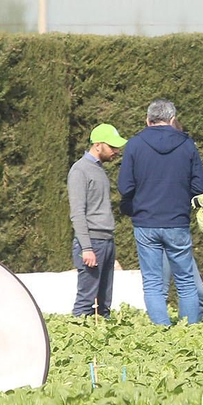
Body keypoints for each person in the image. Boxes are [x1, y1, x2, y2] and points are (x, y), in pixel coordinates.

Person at [119, 98, 203, 326]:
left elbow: (124, 187)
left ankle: (162, 332)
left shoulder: (135, 145)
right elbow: (199, 187)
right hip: (177, 221)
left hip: (145, 222)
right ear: (172, 119)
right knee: (186, 282)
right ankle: (188, 333)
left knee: (152, 283)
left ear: (147, 120)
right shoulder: (187, 144)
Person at [68, 122, 126, 317]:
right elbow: (77, 212)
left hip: (106, 241)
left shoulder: (99, 169)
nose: (116, 151)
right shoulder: (80, 170)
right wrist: (86, 248)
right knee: (86, 302)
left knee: (104, 304)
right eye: (112, 146)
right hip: (92, 243)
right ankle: (76, 339)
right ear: (98, 144)